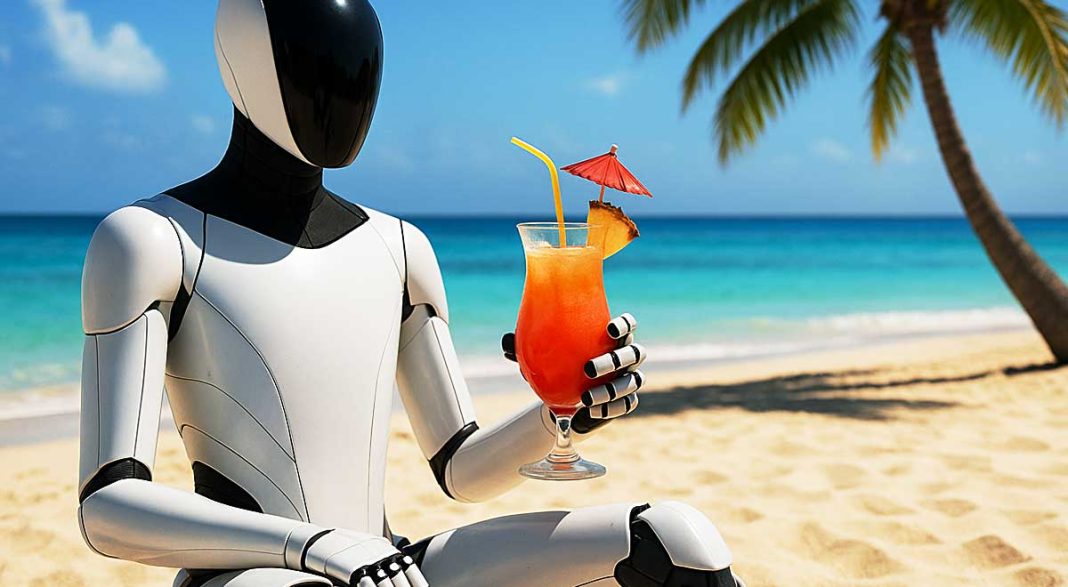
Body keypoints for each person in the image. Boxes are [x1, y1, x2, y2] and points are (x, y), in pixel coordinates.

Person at [76, 1, 740, 586]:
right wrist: (313, 545)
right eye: (319, 66)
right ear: (241, 59)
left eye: (360, 70)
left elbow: (460, 468)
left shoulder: (398, 247)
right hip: (249, 576)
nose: (344, 92)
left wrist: (557, 416)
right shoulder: (149, 240)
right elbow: (106, 507)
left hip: (388, 568)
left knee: (677, 541)